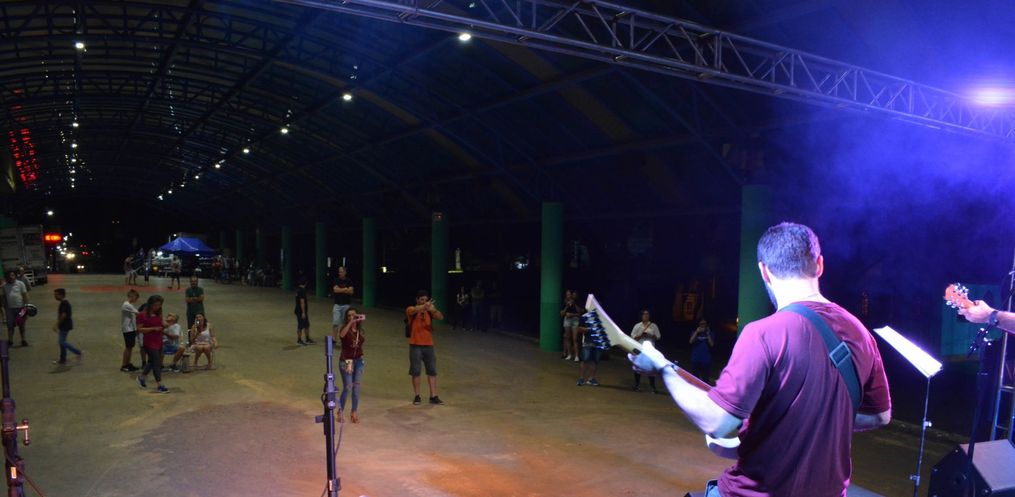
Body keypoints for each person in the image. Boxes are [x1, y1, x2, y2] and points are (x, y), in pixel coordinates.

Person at [628, 222, 891, 497]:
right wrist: (819, 418)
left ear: (764, 271)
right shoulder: (860, 333)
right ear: (819, 265)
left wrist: (663, 368)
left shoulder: (763, 333)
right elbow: (880, 415)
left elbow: (716, 422)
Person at [406, 289, 444, 405]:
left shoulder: (429, 312)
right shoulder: (411, 309)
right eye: (422, 299)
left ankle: (433, 396)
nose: (424, 301)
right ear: (417, 300)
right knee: (416, 371)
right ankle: (417, 396)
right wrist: (424, 307)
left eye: (426, 300)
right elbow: (414, 310)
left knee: (432, 371)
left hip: (429, 345)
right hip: (415, 345)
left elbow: (440, 317)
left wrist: (433, 310)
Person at [136, 295, 170, 393]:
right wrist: (153, 329)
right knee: (157, 363)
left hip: (158, 340)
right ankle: (159, 384)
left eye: (159, 305)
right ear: (150, 304)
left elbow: (163, 323)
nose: (157, 307)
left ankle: (142, 377)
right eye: (156, 305)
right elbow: (140, 329)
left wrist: (167, 324)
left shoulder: (158, 314)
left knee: (152, 361)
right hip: (149, 342)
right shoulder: (142, 315)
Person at [338, 307, 366, 423]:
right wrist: (351, 323)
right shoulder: (344, 329)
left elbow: (360, 344)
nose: (351, 317)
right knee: (348, 387)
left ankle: (354, 411)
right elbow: (342, 335)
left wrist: (361, 356)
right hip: (347, 361)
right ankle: (340, 411)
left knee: (356, 388)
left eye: (353, 315)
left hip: (358, 361)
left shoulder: (360, 331)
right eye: (349, 316)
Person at [631, 309, 661, 392]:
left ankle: (653, 387)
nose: (646, 315)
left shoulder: (654, 326)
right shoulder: (637, 326)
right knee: (638, 367)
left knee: (651, 368)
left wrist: (651, 335)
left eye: (647, 314)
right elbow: (633, 338)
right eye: (644, 314)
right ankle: (637, 385)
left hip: (650, 350)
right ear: (641, 316)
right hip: (640, 349)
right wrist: (641, 335)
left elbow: (658, 337)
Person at [52, 288, 82, 365]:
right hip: (64, 325)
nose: (55, 296)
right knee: (62, 343)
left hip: (65, 325)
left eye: (56, 295)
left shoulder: (64, 304)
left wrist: (57, 324)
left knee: (62, 342)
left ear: (61, 295)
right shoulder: (64, 303)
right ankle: (63, 359)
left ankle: (77, 352)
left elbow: (63, 315)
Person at [1, 270, 29, 347]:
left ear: (15, 276)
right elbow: (3, 297)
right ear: (6, 277)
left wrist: (26, 307)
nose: (11, 277)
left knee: (21, 325)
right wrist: (3, 306)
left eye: (12, 275)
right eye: (9, 276)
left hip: (21, 308)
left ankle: (23, 340)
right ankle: (10, 341)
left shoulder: (20, 284)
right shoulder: (4, 286)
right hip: (9, 310)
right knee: (10, 326)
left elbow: (25, 295)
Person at [331, 266, 354, 342]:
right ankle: (334, 339)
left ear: (345, 272)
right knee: (335, 323)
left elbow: (351, 291)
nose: (339, 273)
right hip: (337, 305)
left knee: (346, 323)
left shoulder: (349, 281)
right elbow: (335, 290)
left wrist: (340, 290)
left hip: (346, 305)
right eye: (339, 271)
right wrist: (345, 289)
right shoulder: (336, 280)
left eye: (341, 271)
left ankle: (344, 338)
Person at [120, 289, 141, 372]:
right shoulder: (127, 305)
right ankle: (124, 365)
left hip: (131, 329)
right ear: (131, 296)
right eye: (136, 297)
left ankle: (128, 363)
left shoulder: (130, 305)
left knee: (130, 347)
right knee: (128, 348)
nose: (136, 299)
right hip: (128, 329)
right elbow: (138, 314)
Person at [688, 319, 714, 383]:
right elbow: (690, 341)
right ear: (698, 325)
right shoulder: (694, 332)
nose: (703, 326)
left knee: (705, 379)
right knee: (694, 379)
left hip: (705, 359)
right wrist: (696, 332)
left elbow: (711, 344)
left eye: (704, 324)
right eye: (701, 324)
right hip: (695, 358)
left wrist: (708, 334)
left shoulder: (710, 333)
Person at [560, 290, 581, 362]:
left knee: (575, 338)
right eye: (567, 295)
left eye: (570, 294)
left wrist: (574, 306)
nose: (569, 296)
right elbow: (562, 314)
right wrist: (566, 306)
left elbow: (580, 313)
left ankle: (577, 356)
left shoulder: (577, 302)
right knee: (567, 337)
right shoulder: (565, 303)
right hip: (567, 320)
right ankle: (569, 354)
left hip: (575, 320)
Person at [294, 278, 315, 345]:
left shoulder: (298, 290)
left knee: (306, 325)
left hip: (298, 310)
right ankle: (299, 340)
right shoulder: (302, 291)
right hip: (301, 312)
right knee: (300, 326)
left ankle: (307, 339)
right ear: (305, 283)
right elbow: (302, 302)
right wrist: (303, 312)